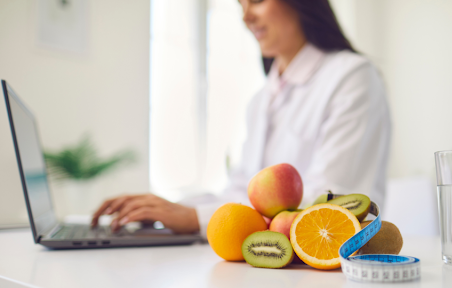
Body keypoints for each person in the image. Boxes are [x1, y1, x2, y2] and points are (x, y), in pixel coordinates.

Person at [91, 0, 391, 238]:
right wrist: (165, 208)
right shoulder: (261, 99)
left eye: (257, 1)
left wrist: (194, 219)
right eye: (240, 4)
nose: (245, 16)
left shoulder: (352, 76)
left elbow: (332, 199)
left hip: (328, 263)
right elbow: (239, 192)